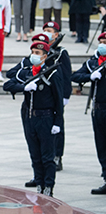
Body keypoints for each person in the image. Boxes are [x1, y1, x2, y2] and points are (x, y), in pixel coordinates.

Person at [4, 41, 64, 196]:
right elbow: (8, 85)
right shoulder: (27, 72)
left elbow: (58, 100)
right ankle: (39, 183)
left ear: (45, 56)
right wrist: (23, 87)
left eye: (38, 53)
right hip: (29, 117)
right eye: (33, 53)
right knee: (35, 154)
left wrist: (58, 122)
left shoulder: (52, 73)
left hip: (46, 118)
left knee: (47, 156)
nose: (34, 56)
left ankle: (48, 186)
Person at [72, 33, 106, 194]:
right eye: (101, 42)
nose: (102, 45)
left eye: (105, 42)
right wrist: (89, 76)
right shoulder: (93, 62)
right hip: (98, 109)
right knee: (101, 145)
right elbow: (75, 76)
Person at [42, 22, 72, 172]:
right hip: (45, 95)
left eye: (49, 31)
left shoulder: (60, 52)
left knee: (57, 125)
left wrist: (66, 95)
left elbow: (67, 75)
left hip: (58, 93)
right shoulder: (41, 50)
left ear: (56, 34)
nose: (46, 33)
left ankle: (57, 156)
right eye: (44, 30)